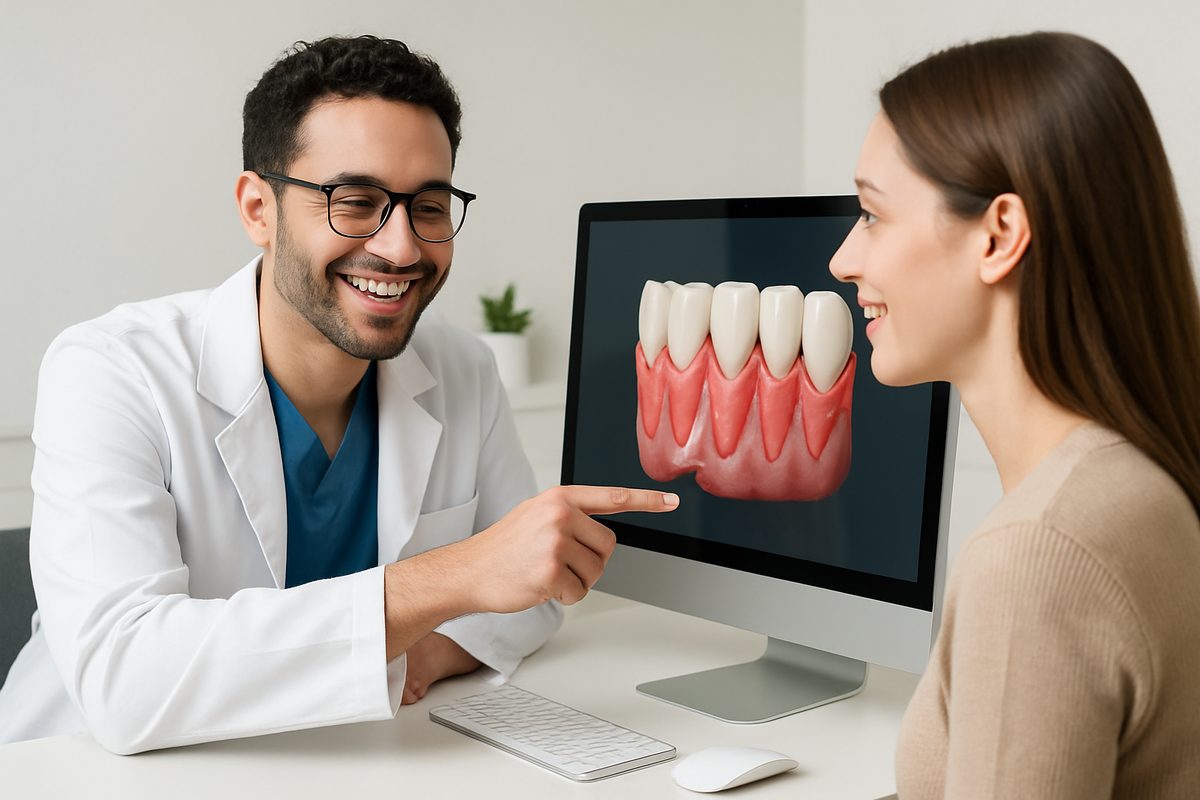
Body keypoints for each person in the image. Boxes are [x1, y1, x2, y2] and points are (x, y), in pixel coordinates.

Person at [0, 35, 678, 754]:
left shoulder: (462, 369)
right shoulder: (111, 371)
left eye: (429, 206)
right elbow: (126, 679)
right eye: (355, 201)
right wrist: (447, 582)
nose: (401, 248)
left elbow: (530, 589)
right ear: (258, 209)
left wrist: (432, 650)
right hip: (85, 767)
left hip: (355, 761)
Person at [829, 31, 1200, 797]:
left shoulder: (1037, 554)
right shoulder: (1133, 480)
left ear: (999, 236)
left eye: (871, 215)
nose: (842, 260)